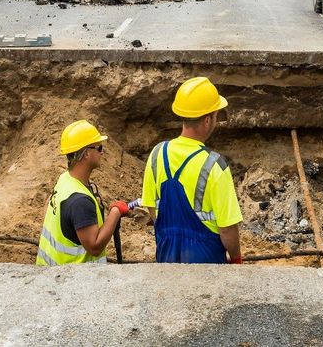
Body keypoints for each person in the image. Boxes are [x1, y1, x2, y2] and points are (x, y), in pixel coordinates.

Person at [141, 77, 243, 264]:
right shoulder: (215, 165)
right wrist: (236, 258)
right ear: (207, 120)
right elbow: (227, 229)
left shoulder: (157, 154)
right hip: (205, 260)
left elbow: (152, 208)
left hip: (166, 256)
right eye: (215, 115)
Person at [36, 120, 129, 266]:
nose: (102, 152)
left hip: (54, 274)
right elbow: (94, 246)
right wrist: (115, 212)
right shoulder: (79, 201)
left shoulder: (65, 179)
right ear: (86, 154)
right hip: (73, 280)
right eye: (99, 148)